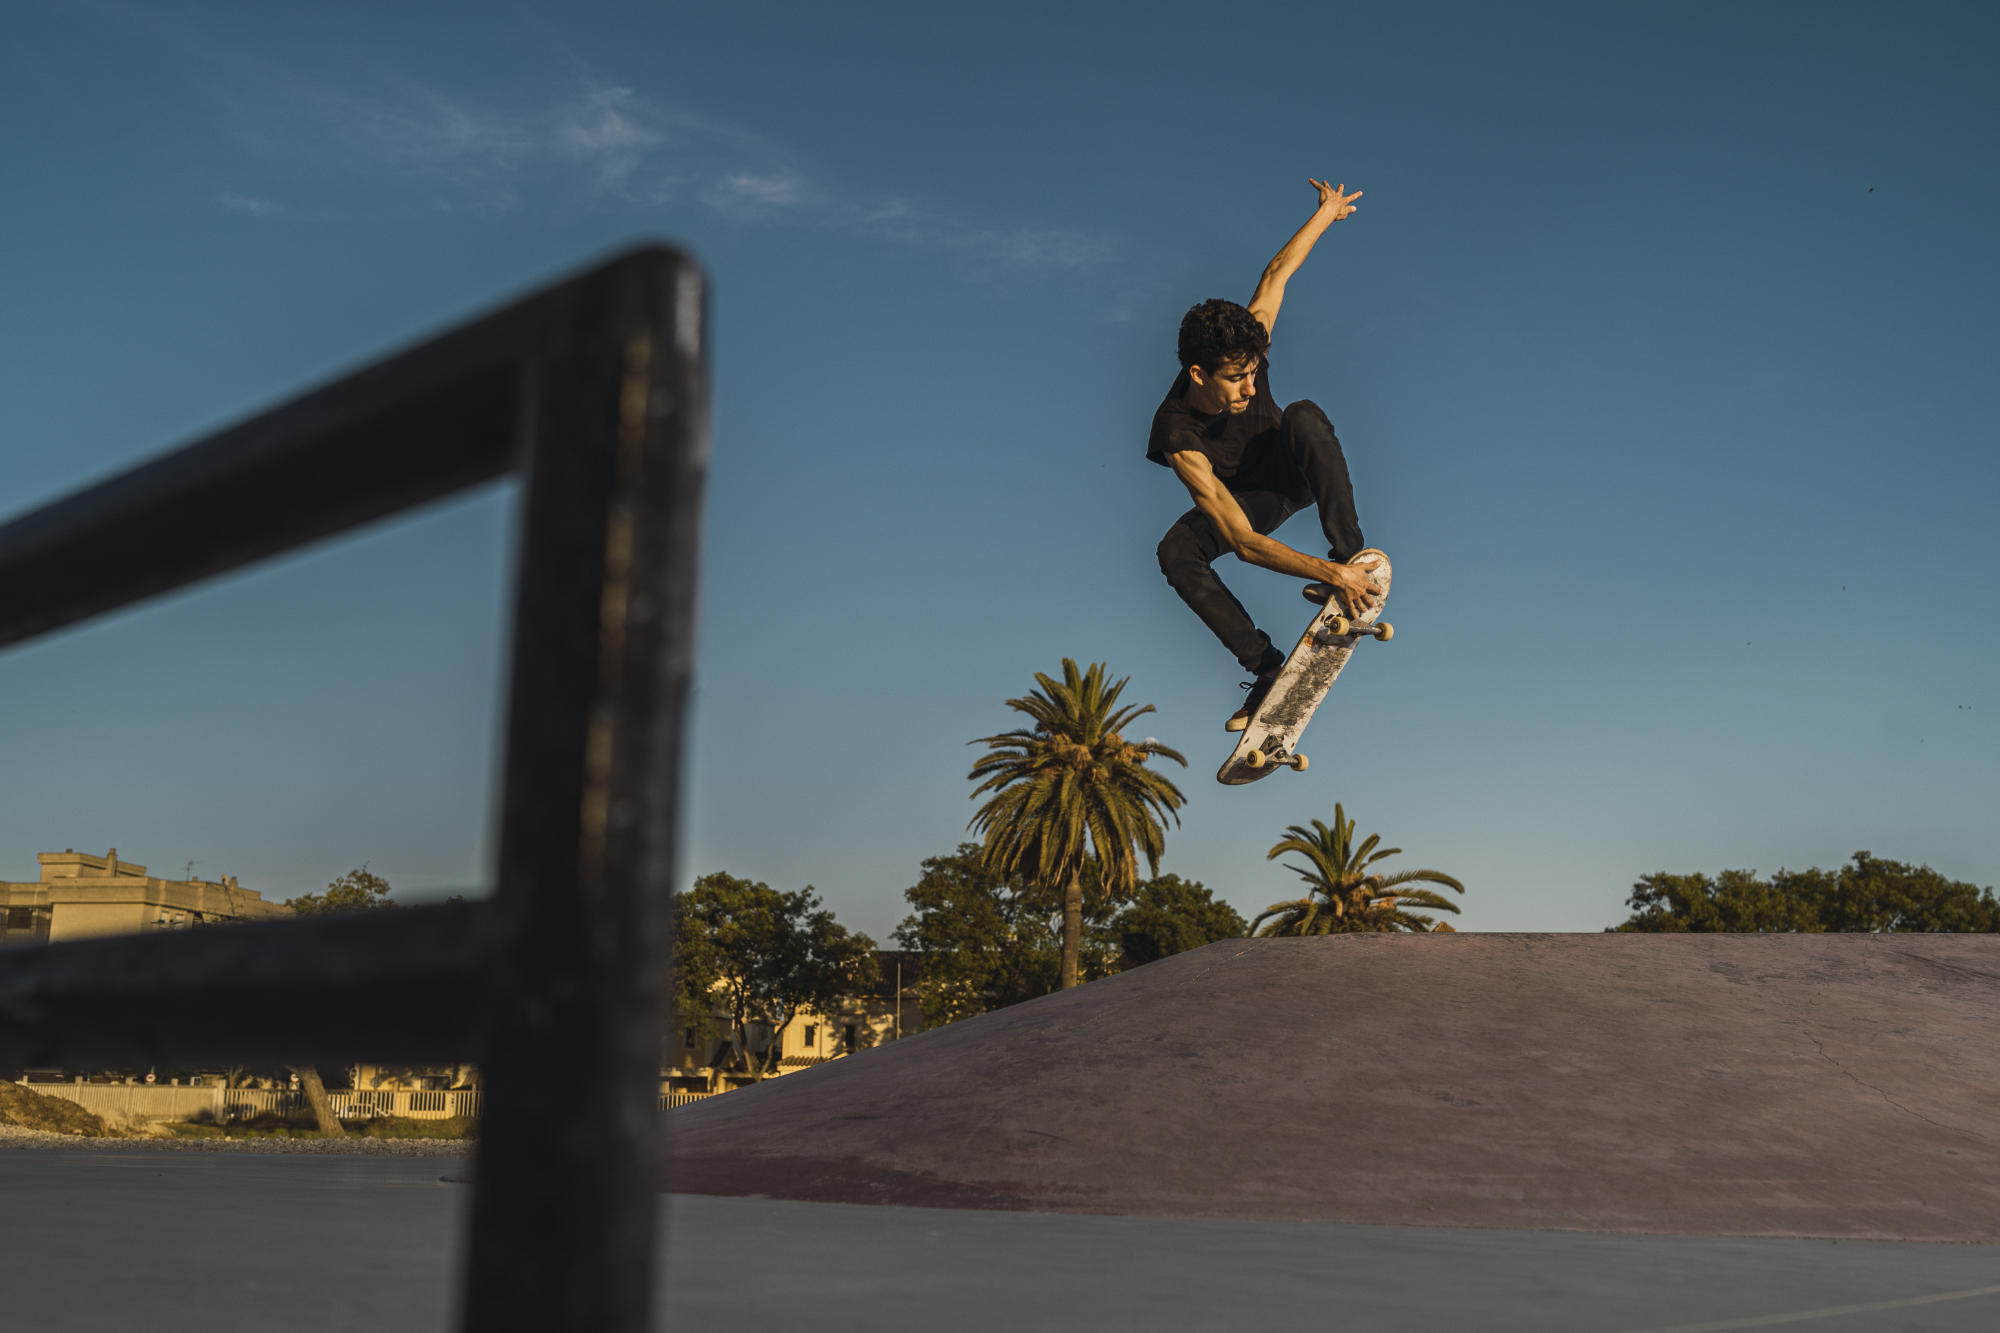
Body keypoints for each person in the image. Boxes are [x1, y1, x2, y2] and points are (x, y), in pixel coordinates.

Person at [1147, 178, 1381, 731]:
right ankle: (1267, 668)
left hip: (1292, 470)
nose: (1251, 389)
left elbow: (1278, 273)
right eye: (1235, 380)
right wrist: (1315, 571)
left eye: (1253, 372)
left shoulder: (1247, 346)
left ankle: (1351, 555)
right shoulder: (1176, 433)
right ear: (1198, 373)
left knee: (1302, 412)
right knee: (1176, 551)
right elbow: (1242, 542)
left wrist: (1326, 213)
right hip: (1247, 505)